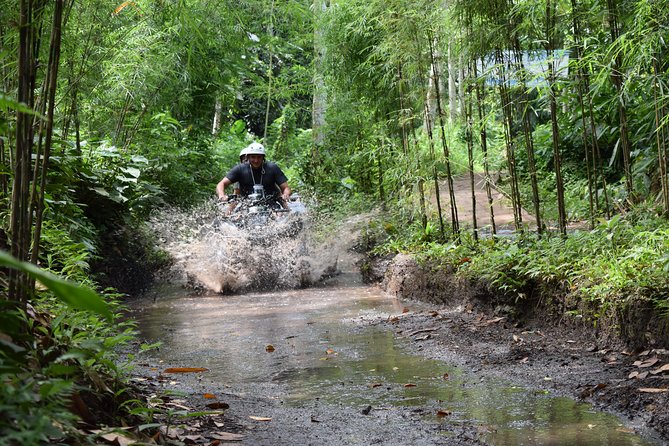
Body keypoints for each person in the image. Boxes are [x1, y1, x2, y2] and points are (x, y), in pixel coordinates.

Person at [217, 142, 291, 206]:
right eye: (253, 157)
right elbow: (222, 184)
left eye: (259, 157)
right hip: (246, 204)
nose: (256, 160)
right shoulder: (240, 169)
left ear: (263, 158)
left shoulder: (272, 168)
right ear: (248, 157)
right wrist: (221, 195)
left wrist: (285, 194)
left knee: (280, 217)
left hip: (271, 203)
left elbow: (285, 187)